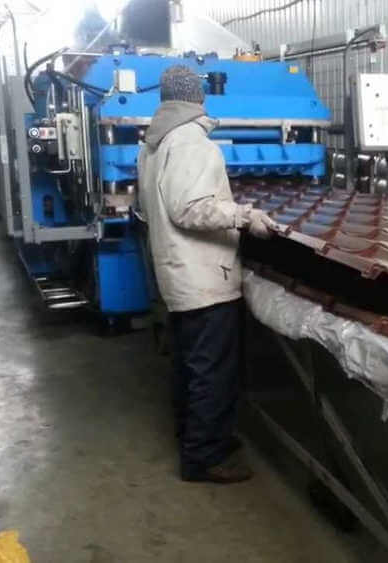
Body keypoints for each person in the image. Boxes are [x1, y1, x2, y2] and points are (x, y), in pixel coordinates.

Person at [137, 65, 278, 484]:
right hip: (203, 279)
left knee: (189, 365)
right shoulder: (191, 142)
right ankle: (205, 457)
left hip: (178, 274)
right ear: (198, 97)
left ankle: (192, 438)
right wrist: (243, 215)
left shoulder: (153, 143)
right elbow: (189, 208)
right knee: (213, 372)